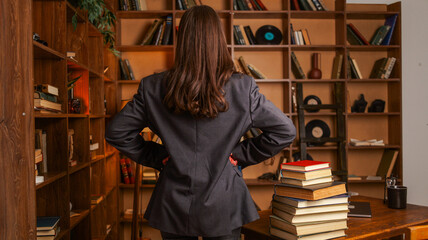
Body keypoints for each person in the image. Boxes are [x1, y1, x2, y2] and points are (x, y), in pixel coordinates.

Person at [106, 5, 296, 240]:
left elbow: (117, 132)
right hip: (225, 202)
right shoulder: (243, 87)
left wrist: (158, 157)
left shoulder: (153, 87)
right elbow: (285, 131)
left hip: (174, 202)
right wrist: (239, 155)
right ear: (219, 38)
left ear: (182, 39)